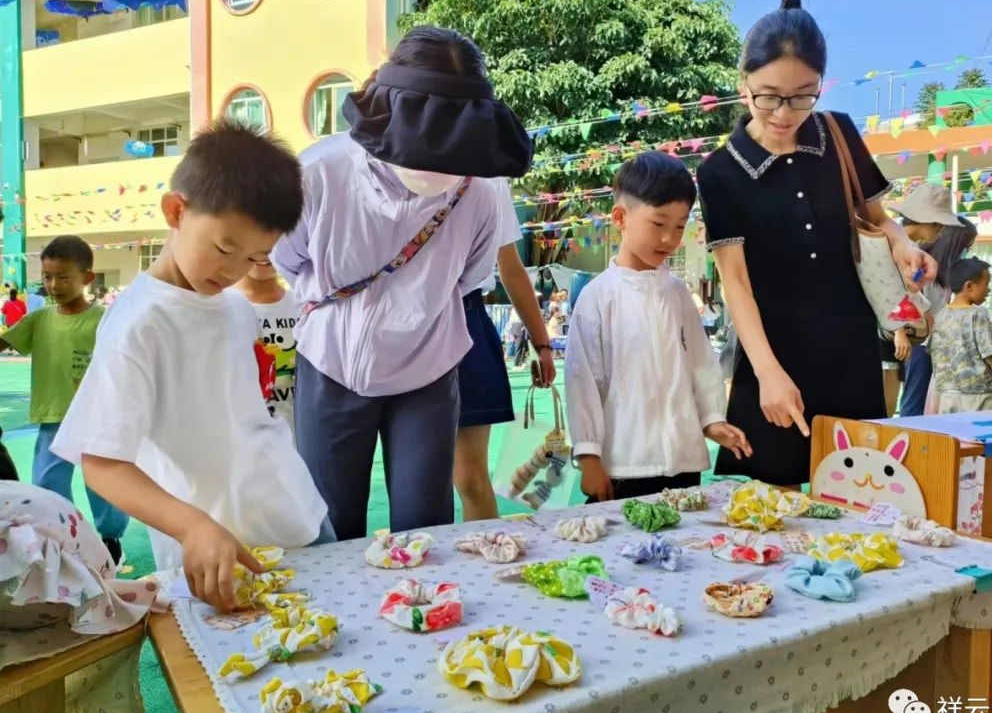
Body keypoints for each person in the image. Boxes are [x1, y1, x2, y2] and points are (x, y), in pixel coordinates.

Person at [51, 120, 332, 612]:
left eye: (255, 257)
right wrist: (192, 526)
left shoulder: (236, 306)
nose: (233, 270)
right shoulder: (139, 323)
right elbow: (101, 462)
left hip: (299, 515)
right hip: (218, 552)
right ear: (176, 211)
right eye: (224, 248)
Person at [273, 26, 534, 541]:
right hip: (332, 364)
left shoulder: (481, 191)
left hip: (430, 371)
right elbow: (290, 260)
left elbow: (469, 278)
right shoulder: (319, 175)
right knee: (329, 526)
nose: (438, 166)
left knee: (426, 527)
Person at [697, 0, 936, 487]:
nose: (785, 113)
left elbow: (877, 218)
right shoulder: (720, 172)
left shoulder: (840, 133)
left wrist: (903, 242)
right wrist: (767, 373)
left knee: (859, 495)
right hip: (774, 358)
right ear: (743, 84)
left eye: (803, 95)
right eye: (768, 97)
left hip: (850, 352)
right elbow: (735, 284)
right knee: (771, 510)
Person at [567, 152, 751, 503]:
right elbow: (583, 382)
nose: (669, 239)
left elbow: (700, 364)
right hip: (626, 466)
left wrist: (712, 420)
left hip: (684, 463)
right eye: (658, 223)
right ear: (620, 217)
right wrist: (589, 456)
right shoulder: (598, 297)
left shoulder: (678, 293)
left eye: (680, 226)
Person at [0, 236, 129, 564]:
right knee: (46, 485)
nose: (53, 284)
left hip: (98, 419)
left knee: (104, 486)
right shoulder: (39, 319)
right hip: (53, 417)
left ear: (87, 278)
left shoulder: (105, 319)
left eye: (63, 276)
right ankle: (63, 541)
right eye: (46, 276)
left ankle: (110, 538)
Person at [453, 178, 555, 521]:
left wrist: (542, 343)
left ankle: (482, 567)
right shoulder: (389, 157)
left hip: (466, 315)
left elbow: (509, 266)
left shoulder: (487, 177)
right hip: (401, 322)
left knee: (469, 478)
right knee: (419, 476)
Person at [891, 184, 979, 416]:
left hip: (931, 341)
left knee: (927, 401)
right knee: (913, 401)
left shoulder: (935, 269)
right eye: (965, 246)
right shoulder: (911, 257)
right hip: (916, 341)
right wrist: (900, 331)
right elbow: (901, 297)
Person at [929, 257, 992, 413]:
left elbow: (934, 351)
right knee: (982, 436)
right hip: (979, 395)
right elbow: (989, 355)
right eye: (986, 284)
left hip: (947, 394)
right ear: (969, 286)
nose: (989, 290)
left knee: (953, 436)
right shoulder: (978, 314)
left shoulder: (941, 315)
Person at [233, 259, 299, 436]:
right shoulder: (220, 306)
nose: (265, 252)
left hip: (296, 443)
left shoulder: (302, 305)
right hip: (241, 443)